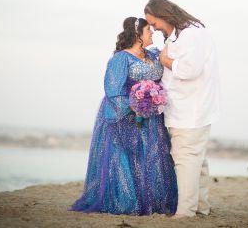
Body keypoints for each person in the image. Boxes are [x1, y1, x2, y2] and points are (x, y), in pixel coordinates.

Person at [69, 17, 177, 215]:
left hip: (152, 117)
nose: (152, 33)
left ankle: (155, 202)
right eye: (148, 30)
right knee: (126, 158)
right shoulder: (121, 58)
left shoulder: (154, 55)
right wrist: (135, 106)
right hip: (125, 116)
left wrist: (153, 101)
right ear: (138, 35)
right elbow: (113, 90)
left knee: (153, 156)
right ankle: (126, 202)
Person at [144, 0, 221, 218]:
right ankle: (200, 207)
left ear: (164, 15)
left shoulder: (192, 34)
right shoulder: (179, 34)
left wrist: (165, 60)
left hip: (191, 110)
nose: (154, 28)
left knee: (185, 158)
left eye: (154, 22)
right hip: (184, 108)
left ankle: (186, 212)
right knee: (197, 161)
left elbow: (189, 70)